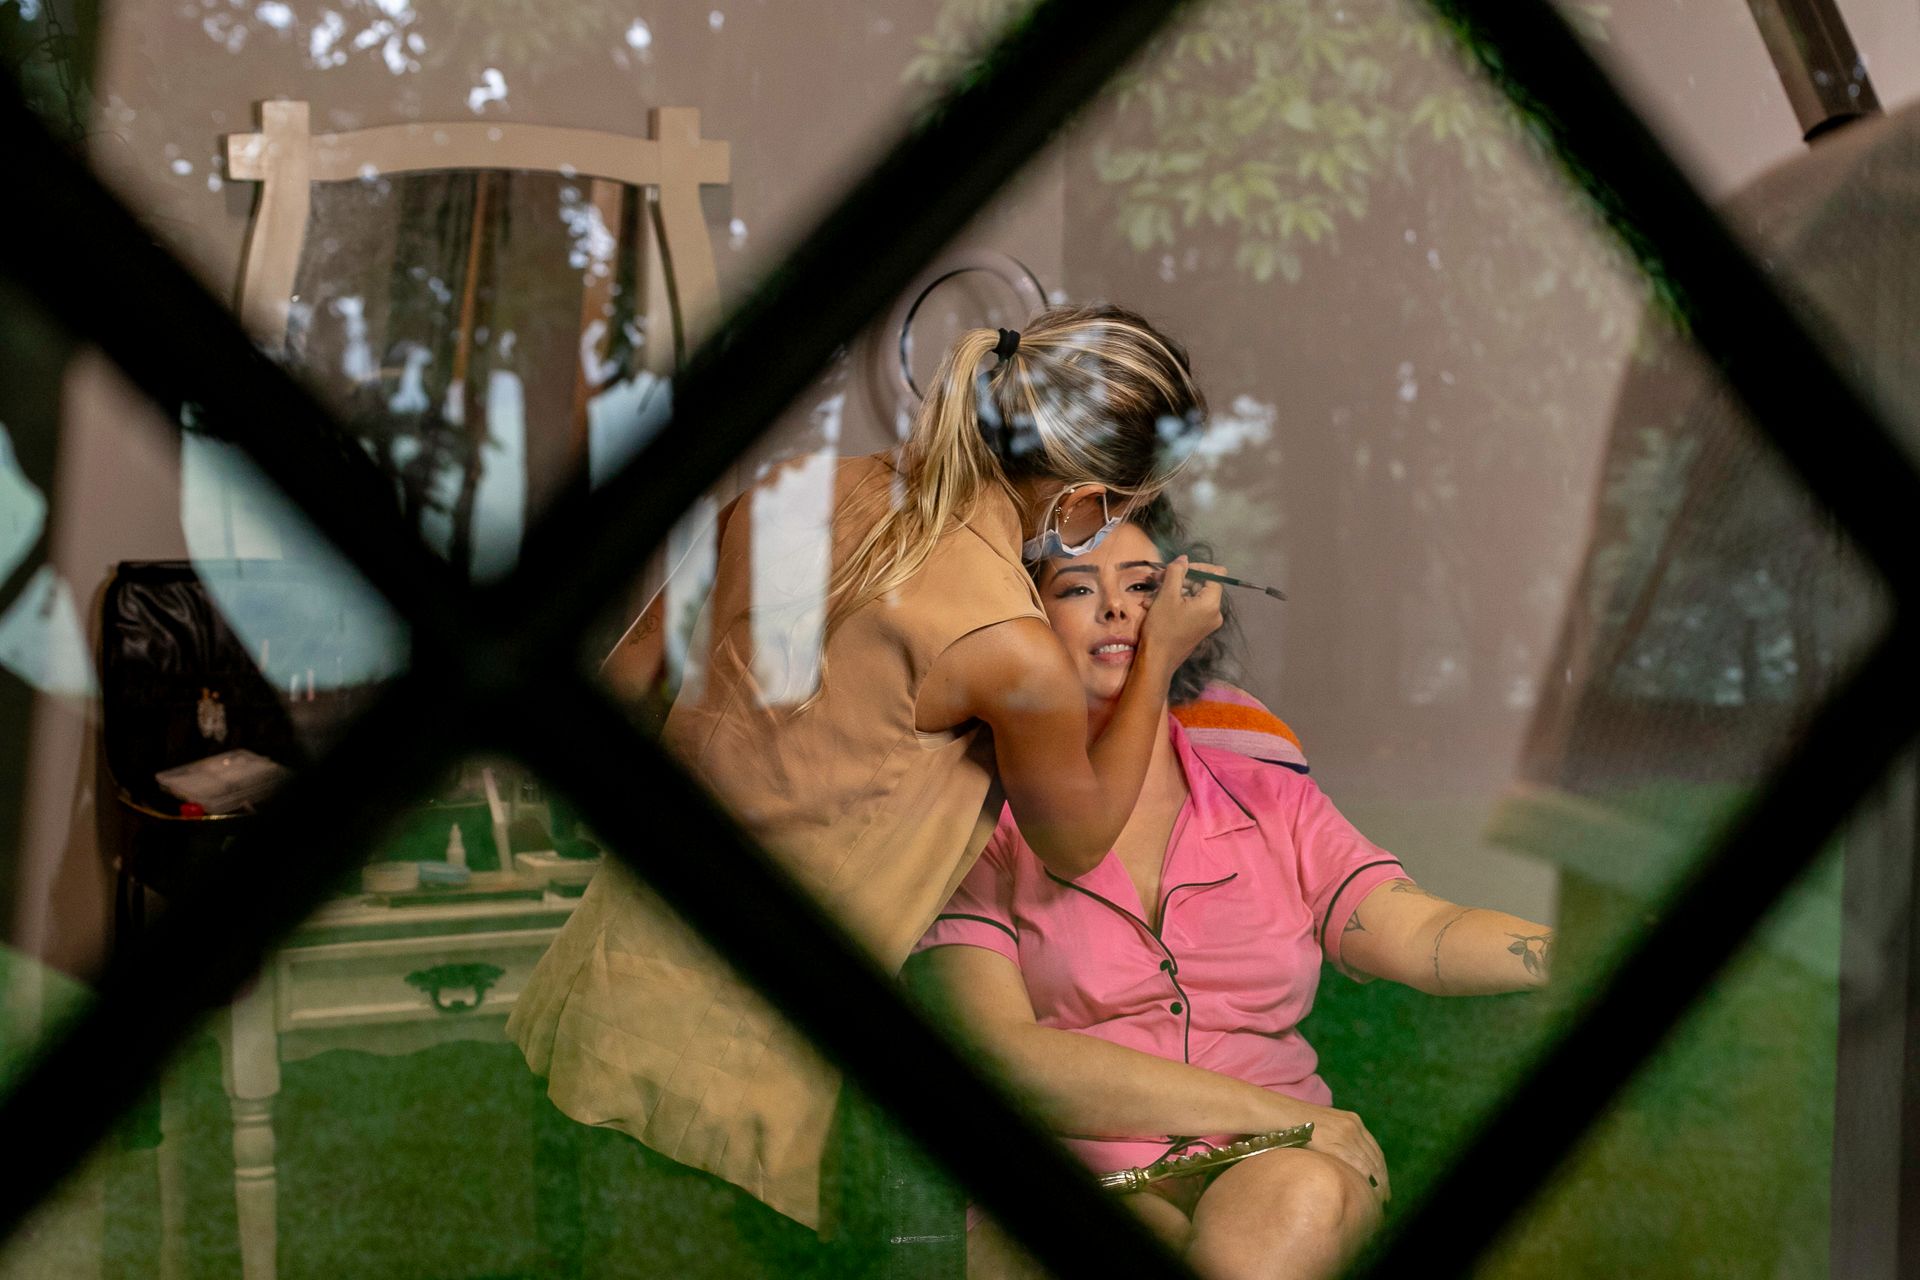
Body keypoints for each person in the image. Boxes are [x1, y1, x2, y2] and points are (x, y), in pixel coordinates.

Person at [508, 304, 1227, 1233]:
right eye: (1127, 508)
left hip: (586, 1009)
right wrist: (1158, 659)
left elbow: (622, 685)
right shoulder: (1009, 647)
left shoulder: (790, 492)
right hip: (732, 1080)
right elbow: (1077, 842)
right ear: (1084, 499)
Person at [909, 505, 1553, 1280]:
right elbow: (1002, 1059)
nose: (1116, 606)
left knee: (1297, 1202)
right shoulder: (975, 822)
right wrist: (1290, 1118)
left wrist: (1570, 953)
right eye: (1077, 589)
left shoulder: (1264, 794)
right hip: (1082, 1163)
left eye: (1142, 585)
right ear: (1024, 621)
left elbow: (1419, 932)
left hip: (1279, 1171)